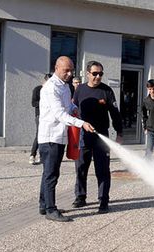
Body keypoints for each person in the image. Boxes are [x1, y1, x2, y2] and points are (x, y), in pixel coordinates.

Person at [38, 56, 95, 222]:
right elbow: (60, 114)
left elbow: (68, 108)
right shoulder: (50, 88)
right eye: (66, 70)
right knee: (51, 174)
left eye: (71, 70)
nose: (70, 74)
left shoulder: (65, 87)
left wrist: (76, 108)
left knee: (49, 173)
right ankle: (50, 209)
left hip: (60, 137)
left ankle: (44, 204)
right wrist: (81, 123)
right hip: (50, 137)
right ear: (56, 68)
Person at [71, 60, 123, 214]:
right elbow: (73, 110)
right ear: (88, 74)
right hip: (83, 135)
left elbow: (115, 114)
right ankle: (80, 197)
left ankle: (103, 200)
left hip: (101, 137)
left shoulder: (106, 91)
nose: (98, 76)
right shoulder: (79, 90)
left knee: (102, 170)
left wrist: (119, 133)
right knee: (81, 167)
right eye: (95, 74)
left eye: (101, 74)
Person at [30, 74, 51, 165]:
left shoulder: (51, 91)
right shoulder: (37, 89)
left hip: (49, 116)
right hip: (40, 115)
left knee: (47, 135)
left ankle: (42, 155)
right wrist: (44, 103)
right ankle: (32, 155)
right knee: (39, 134)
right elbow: (33, 103)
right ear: (44, 81)